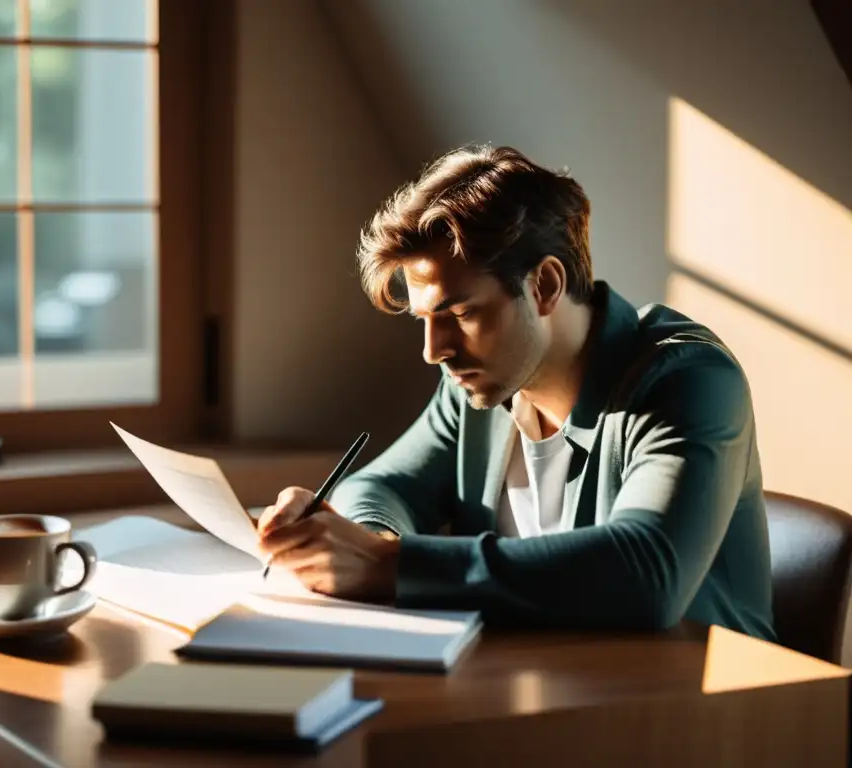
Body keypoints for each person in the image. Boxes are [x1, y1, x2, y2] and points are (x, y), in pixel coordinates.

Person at [257, 144, 775, 640]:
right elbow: (380, 486)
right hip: (552, 687)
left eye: (460, 314)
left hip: (701, 708)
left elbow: (646, 572)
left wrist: (386, 564)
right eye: (425, 319)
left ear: (545, 286)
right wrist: (367, 540)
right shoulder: (479, 387)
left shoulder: (688, 380)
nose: (433, 350)